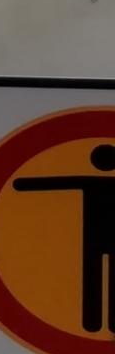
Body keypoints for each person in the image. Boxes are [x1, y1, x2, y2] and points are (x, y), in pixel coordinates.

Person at [12, 143, 115, 335]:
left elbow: (54, 182)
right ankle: (96, 323)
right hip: (97, 239)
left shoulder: (89, 181)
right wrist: (20, 184)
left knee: (93, 276)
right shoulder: (90, 181)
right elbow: (52, 183)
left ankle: (92, 323)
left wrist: (19, 184)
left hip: (92, 239)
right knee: (98, 277)